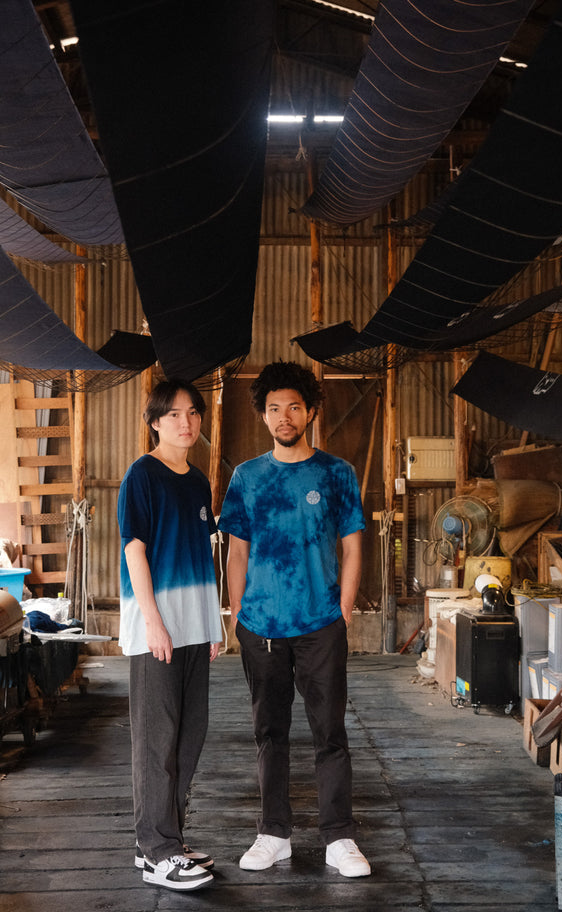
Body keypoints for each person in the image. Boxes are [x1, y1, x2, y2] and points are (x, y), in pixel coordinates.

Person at [218, 361, 371, 878]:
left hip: (320, 623)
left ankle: (339, 839)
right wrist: (240, 614)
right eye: (274, 409)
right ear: (264, 416)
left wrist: (343, 611)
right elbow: (235, 553)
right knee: (270, 732)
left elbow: (353, 548)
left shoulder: (336, 474)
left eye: (294, 407)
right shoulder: (247, 477)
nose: (285, 417)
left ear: (310, 412)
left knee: (330, 732)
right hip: (262, 627)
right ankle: (273, 834)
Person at [117, 378, 222, 892]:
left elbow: (204, 556)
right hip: (155, 629)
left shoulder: (198, 480)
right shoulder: (142, 476)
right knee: (156, 739)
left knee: (189, 734)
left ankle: (164, 840)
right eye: (175, 414)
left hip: (195, 628)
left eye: (193, 413)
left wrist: (214, 623)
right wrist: (153, 620)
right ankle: (157, 849)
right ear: (155, 422)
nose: (187, 422)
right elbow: (134, 550)